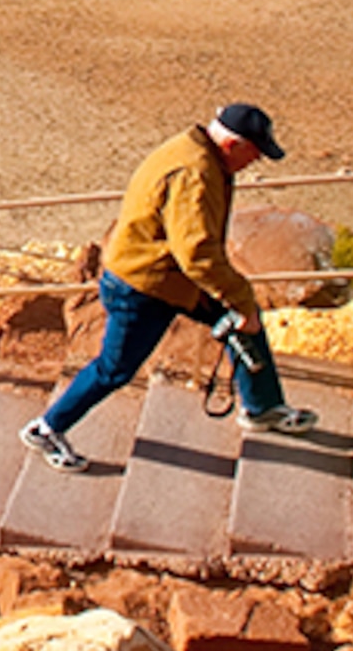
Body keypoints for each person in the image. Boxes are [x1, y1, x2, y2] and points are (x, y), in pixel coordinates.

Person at [21, 103, 320, 473]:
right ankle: (46, 428)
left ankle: (262, 407)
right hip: (143, 286)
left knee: (243, 318)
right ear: (232, 145)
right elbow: (196, 254)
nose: (255, 161)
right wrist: (240, 295)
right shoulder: (195, 172)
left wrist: (241, 304)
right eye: (254, 153)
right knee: (114, 369)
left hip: (170, 277)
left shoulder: (193, 148)